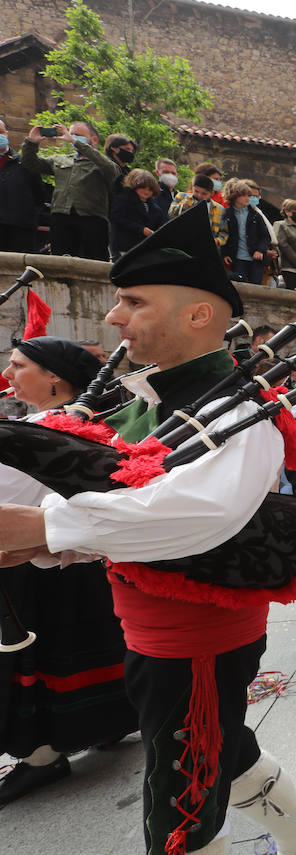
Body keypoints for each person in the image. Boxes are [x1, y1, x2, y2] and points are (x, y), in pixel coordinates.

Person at [0, 207, 296, 855]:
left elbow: (193, 517)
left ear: (198, 317)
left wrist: (44, 525)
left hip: (198, 638)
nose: (116, 319)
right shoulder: (156, 402)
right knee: (219, 750)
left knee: (178, 797)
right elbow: (130, 506)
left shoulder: (236, 410)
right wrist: (46, 541)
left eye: (134, 301)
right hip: (156, 626)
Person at [0, 336, 138, 805]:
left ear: (54, 377)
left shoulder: (45, 428)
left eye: (18, 365)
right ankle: (107, 724)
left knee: (48, 655)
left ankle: (41, 757)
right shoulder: (52, 422)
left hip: (38, 561)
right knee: (90, 646)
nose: (10, 375)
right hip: (66, 557)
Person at [21, 121, 120, 259]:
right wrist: (32, 142)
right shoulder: (61, 160)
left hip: (91, 219)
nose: (70, 137)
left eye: (77, 135)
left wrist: (75, 141)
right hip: (61, 216)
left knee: (94, 260)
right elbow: (29, 163)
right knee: (60, 261)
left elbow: (112, 170)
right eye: (70, 134)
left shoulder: (100, 162)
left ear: (94, 139)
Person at [0, 117, 46, 254]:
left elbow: (39, 194)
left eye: (1, 132)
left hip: (20, 228)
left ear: (7, 134)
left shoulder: (23, 162)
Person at [220, 178, 271, 285]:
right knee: (239, 286)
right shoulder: (226, 214)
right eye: (244, 195)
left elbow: (265, 236)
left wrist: (260, 250)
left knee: (255, 287)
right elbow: (223, 235)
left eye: (249, 195)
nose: (248, 198)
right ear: (235, 196)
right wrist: (225, 254)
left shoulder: (256, 215)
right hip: (237, 258)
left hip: (256, 259)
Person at [108, 168, 166, 259]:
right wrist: (140, 229)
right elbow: (117, 218)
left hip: (144, 251)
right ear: (134, 185)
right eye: (143, 187)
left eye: (150, 189)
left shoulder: (156, 209)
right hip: (124, 247)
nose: (146, 191)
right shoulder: (123, 200)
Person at [166, 175, 228, 248]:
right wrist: (181, 207)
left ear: (212, 193)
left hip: (205, 248)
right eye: (196, 191)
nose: (199, 195)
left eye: (204, 194)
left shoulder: (220, 209)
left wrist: (217, 241)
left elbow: (224, 233)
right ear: (192, 188)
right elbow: (169, 216)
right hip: (181, 244)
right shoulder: (182, 197)